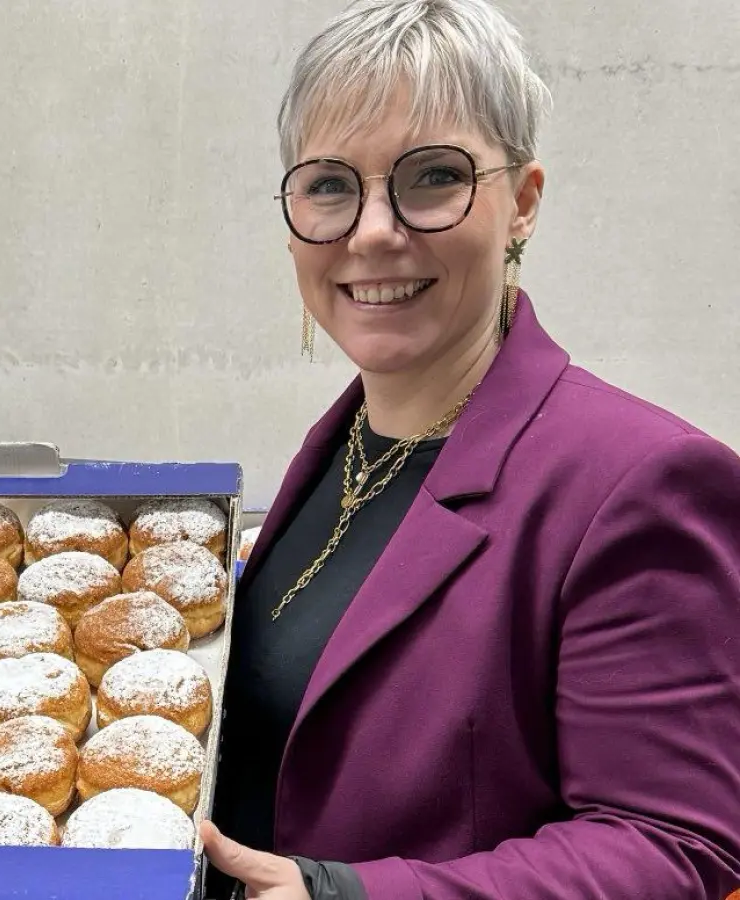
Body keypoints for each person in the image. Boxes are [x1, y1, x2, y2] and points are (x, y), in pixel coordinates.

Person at [197, 1, 740, 898]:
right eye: (330, 184)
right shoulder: (346, 448)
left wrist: (345, 895)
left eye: (432, 177)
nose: (373, 231)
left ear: (522, 203)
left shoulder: (641, 483)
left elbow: (672, 846)